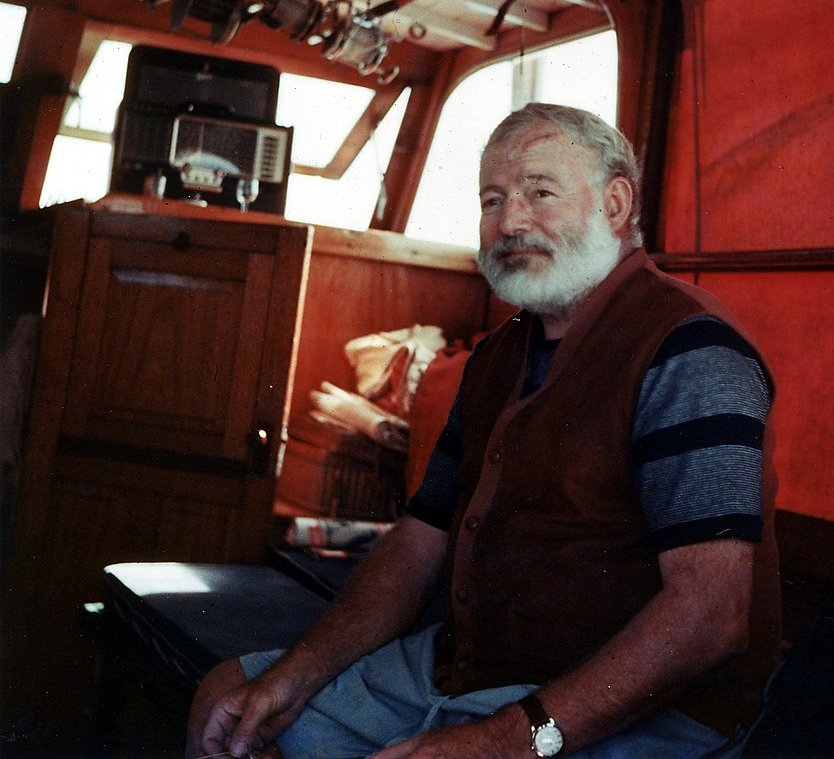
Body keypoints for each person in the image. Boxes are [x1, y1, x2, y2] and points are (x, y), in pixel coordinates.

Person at [186, 103, 781, 759]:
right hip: (471, 673)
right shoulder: (499, 355)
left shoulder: (690, 352)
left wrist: (500, 741)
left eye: (540, 192)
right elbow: (421, 538)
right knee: (228, 700)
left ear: (616, 204)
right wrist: (295, 675)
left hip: (638, 710)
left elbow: (710, 614)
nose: (510, 221)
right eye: (492, 200)